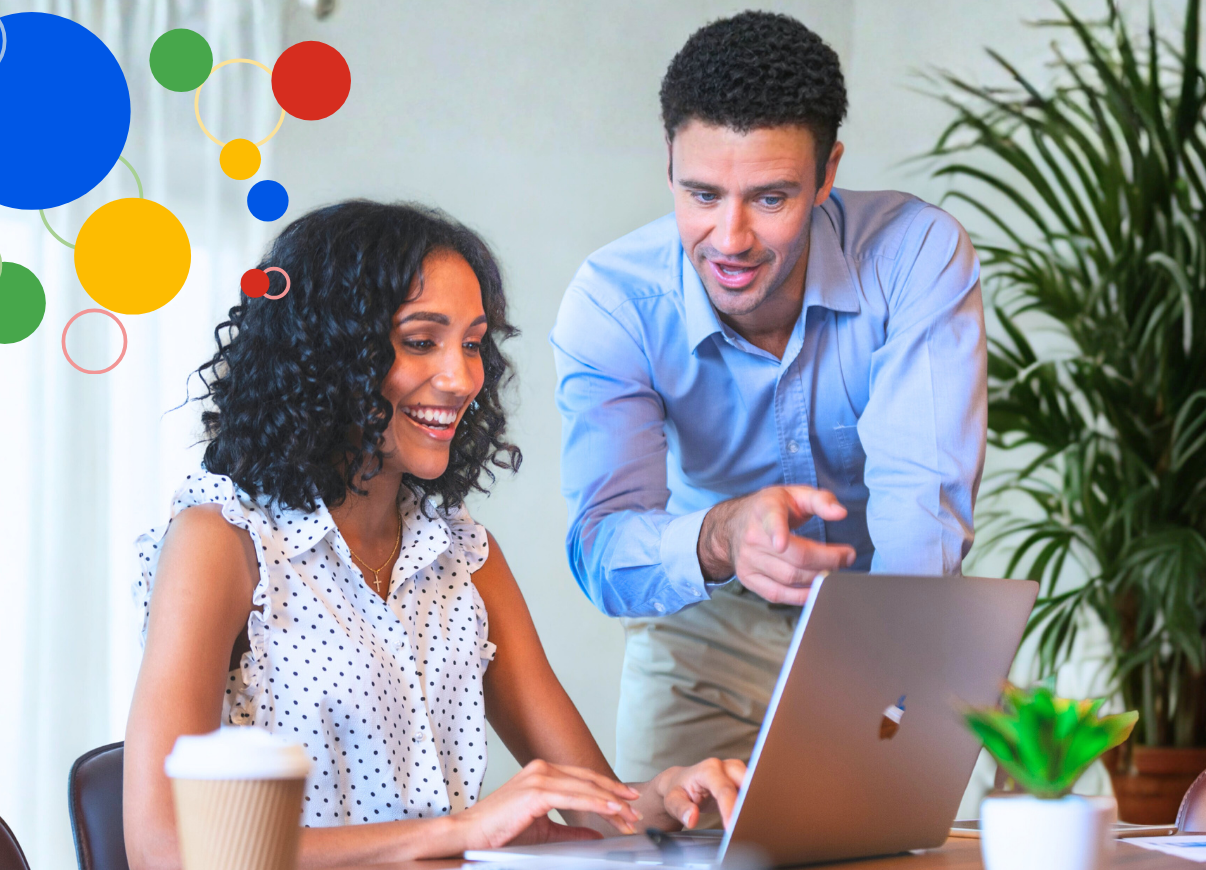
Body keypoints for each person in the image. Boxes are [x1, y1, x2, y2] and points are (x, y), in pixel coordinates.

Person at [124, 201, 744, 870]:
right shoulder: (222, 540)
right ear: (327, 353)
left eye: (473, 343)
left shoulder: (462, 554)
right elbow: (166, 849)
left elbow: (601, 815)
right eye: (421, 341)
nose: (460, 379)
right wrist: (460, 832)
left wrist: (660, 801)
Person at [551, 11, 987, 783]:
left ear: (826, 174)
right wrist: (721, 535)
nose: (729, 238)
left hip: (875, 618)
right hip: (698, 631)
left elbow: (920, 509)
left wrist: (893, 696)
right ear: (668, 166)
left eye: (770, 197)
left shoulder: (914, 255)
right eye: (702, 193)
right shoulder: (614, 302)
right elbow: (604, 555)